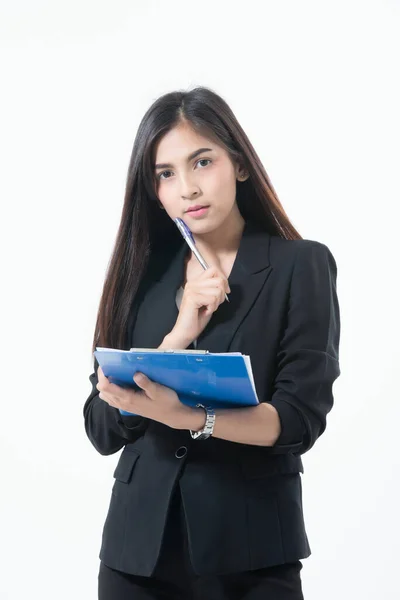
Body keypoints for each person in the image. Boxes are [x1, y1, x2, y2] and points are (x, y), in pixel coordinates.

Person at [83, 86, 341, 600]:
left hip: (251, 553)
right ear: (153, 189)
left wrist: (192, 419)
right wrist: (178, 334)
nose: (188, 188)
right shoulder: (142, 278)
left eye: (203, 162)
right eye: (166, 173)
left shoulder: (300, 265)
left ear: (239, 165)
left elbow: (298, 419)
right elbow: (101, 426)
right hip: (137, 557)